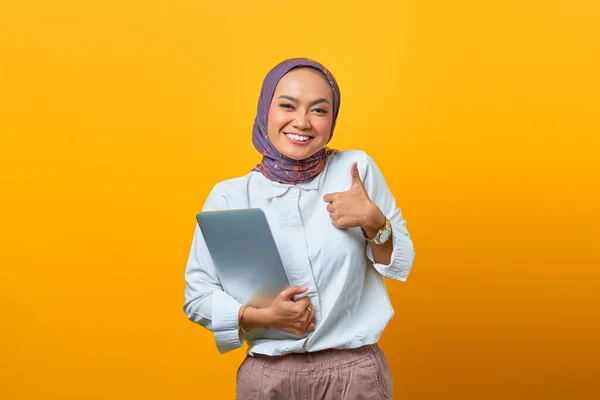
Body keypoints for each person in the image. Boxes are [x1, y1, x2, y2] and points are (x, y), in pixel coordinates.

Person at [183, 58, 415, 399]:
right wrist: (262, 317)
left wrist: (374, 222)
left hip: (355, 375)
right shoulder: (229, 196)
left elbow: (400, 263)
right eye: (287, 105)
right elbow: (197, 297)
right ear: (266, 110)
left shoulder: (356, 171)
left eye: (319, 110)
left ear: (332, 119)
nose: (302, 122)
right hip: (267, 378)